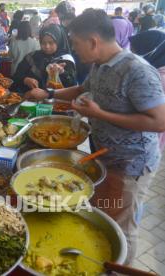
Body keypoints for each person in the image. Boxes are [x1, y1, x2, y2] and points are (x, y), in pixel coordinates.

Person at [26, 9, 165, 265]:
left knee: (121, 227)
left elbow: (159, 121)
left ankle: (119, 268)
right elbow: (82, 89)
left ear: (93, 41)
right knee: (103, 213)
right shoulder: (100, 66)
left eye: (76, 45)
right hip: (104, 156)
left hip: (131, 164)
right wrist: (48, 94)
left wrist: (101, 113)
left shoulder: (137, 70)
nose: (75, 51)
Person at [11, 24, 76, 93]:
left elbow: (72, 86)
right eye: (43, 43)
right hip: (31, 100)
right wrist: (25, 80)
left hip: (57, 102)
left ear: (59, 42)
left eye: (51, 43)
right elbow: (16, 76)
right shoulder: (32, 57)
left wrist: (63, 73)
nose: (47, 46)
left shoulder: (66, 60)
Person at [129, 30, 165, 151]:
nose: (132, 54)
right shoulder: (155, 68)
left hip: (145, 139)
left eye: (134, 50)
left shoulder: (157, 77)